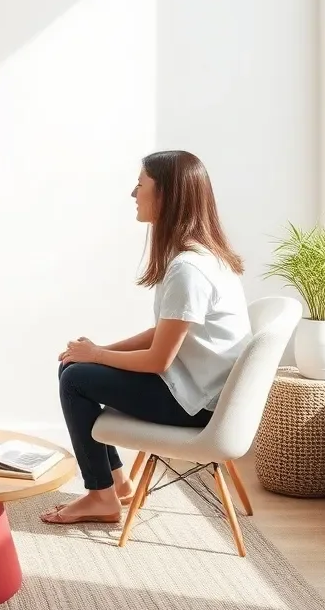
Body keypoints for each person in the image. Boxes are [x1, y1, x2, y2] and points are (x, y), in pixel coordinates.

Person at [41, 150, 250, 526]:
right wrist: (95, 351)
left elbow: (158, 360)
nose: (133, 193)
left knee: (74, 379)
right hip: (197, 390)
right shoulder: (204, 256)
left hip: (197, 405)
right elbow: (164, 333)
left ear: (166, 194)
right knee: (74, 367)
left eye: (140, 185)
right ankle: (114, 483)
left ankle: (100, 497)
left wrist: (98, 355)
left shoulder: (189, 268)